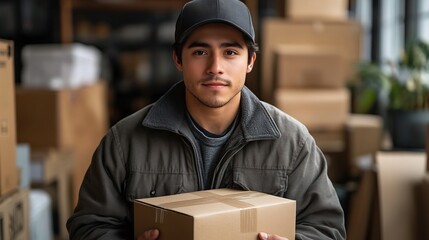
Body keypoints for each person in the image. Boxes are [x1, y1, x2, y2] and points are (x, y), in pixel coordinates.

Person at [66, 0, 346, 239]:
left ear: (250, 61)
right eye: (200, 52)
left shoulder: (293, 143)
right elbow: (88, 226)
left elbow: (327, 228)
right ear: (178, 58)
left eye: (230, 52)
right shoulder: (125, 140)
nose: (215, 68)